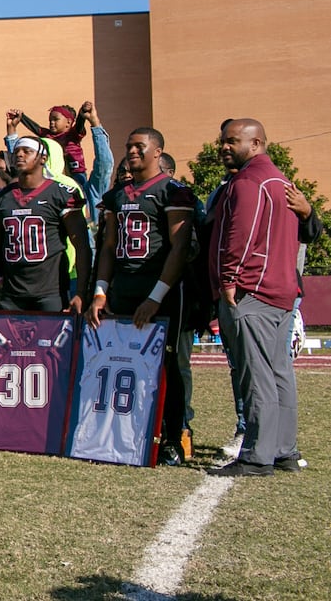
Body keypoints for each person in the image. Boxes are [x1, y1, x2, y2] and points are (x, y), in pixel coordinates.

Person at [87, 127, 196, 462]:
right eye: (129, 146)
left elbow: (179, 248)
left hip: (161, 289)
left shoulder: (173, 191)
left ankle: (173, 439)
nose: (132, 151)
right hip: (123, 287)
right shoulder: (117, 195)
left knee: (168, 364)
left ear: (158, 151)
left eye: (139, 146)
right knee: (120, 360)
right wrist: (100, 292)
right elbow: (107, 248)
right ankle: (123, 432)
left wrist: (156, 296)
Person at [209, 119, 303, 477]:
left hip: (252, 292)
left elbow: (240, 236)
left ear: (257, 143)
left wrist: (229, 279)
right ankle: (284, 450)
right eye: (223, 141)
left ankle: (257, 455)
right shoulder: (282, 181)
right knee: (280, 373)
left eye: (232, 142)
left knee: (257, 375)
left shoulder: (249, 182)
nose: (224, 147)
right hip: (280, 290)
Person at [0, 137, 90, 316]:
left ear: (43, 158)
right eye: (17, 151)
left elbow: (81, 245)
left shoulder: (61, 193)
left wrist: (81, 292)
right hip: (12, 292)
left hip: (51, 291)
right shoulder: (0, 198)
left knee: (51, 343)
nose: (19, 154)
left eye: (27, 151)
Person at [13, 104, 89, 182]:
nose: (52, 123)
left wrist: (82, 113)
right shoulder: (48, 135)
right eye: (50, 120)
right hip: (55, 174)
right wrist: (22, 117)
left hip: (76, 174)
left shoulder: (73, 134)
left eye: (56, 119)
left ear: (68, 122)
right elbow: (35, 128)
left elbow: (80, 125)